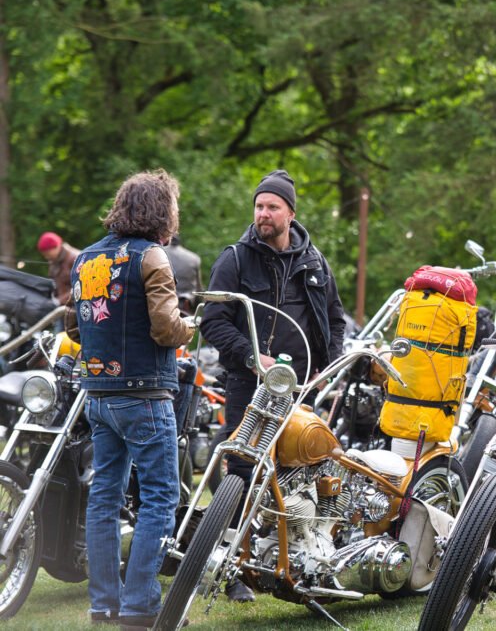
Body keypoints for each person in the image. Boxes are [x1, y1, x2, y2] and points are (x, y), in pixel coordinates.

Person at [199, 169, 347, 602]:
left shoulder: (314, 261)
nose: (263, 214)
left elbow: (334, 319)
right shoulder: (235, 259)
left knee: (300, 471)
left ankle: (301, 557)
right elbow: (213, 321)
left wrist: (329, 364)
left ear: (290, 213)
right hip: (249, 382)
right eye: (259, 206)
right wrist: (251, 356)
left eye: (272, 207)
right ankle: (232, 569)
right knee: (242, 471)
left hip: (302, 388)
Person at [65, 170, 194, 630]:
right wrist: (190, 326)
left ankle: (104, 606)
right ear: (163, 211)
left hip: (98, 394)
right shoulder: (152, 256)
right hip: (144, 394)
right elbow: (165, 326)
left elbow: (73, 328)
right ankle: (140, 607)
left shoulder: (86, 257)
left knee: (103, 499)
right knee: (160, 497)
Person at [37, 231, 80, 305]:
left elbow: (81, 286)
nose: (46, 257)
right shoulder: (54, 261)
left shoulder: (76, 258)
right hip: (63, 308)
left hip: (76, 306)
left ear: (56, 247)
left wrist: (59, 301)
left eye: (47, 253)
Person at [163, 234, 203, 313]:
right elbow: (198, 289)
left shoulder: (156, 254)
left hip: (161, 304)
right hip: (184, 306)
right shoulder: (194, 258)